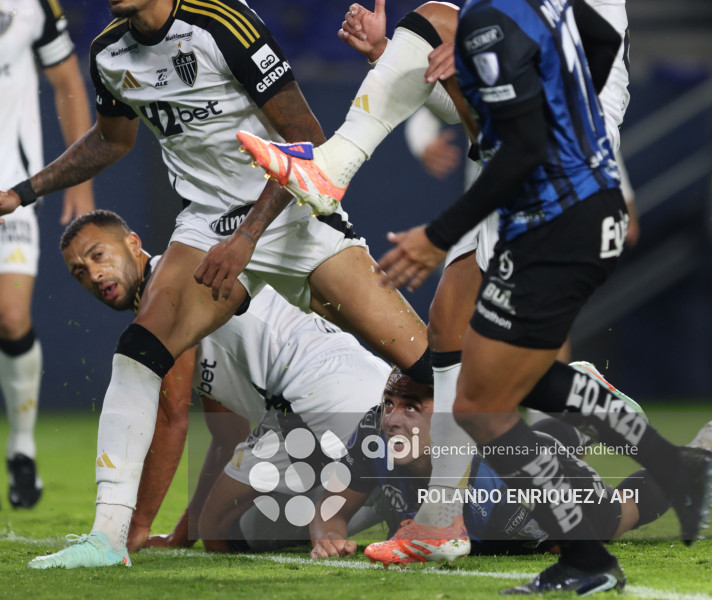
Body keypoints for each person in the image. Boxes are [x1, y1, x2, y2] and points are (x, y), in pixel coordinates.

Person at [2, 0, 431, 569]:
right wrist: (22, 193)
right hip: (206, 224)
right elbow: (112, 140)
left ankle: (530, 439)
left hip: (294, 210)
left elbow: (306, 136)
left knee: (429, 364)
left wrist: (249, 238)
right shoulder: (108, 51)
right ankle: (107, 537)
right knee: (138, 353)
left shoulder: (223, 23)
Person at [239, 0, 646, 570]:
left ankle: (582, 426)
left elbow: (583, 54)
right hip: (516, 147)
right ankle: (450, 515)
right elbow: (460, 96)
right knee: (451, 327)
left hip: (561, 141)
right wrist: (393, 58)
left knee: (494, 366)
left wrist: (493, 47)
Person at [56, 209, 391, 555]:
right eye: (80, 272)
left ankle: (373, 496)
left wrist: (136, 526)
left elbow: (172, 420)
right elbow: (227, 433)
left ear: (132, 243)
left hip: (316, 395)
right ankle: (376, 491)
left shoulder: (167, 293)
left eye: (98, 255)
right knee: (215, 531)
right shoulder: (178, 280)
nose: (94, 274)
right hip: (362, 386)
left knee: (221, 532)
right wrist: (183, 535)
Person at [309, 370, 712, 561]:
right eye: (389, 404)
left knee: (611, 519)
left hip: (518, 484)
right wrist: (328, 536)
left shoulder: (504, 476)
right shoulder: (372, 431)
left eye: (412, 407)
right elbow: (331, 509)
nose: (392, 419)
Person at [0, 0, 94, 508]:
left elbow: (68, 84)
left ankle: (21, 448)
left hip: (7, 189)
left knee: (12, 318)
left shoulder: (35, 4)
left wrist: (79, 181)